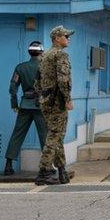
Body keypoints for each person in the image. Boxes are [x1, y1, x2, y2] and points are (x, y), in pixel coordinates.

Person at [34, 26, 74, 185]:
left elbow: (37, 81)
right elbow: (63, 80)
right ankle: (43, 171)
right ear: (57, 38)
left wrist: (42, 96)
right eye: (66, 36)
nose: (68, 38)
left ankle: (62, 171)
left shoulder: (44, 56)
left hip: (46, 101)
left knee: (56, 136)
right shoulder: (60, 55)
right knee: (55, 135)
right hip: (57, 102)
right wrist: (67, 99)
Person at [4, 41, 48, 175]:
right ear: (41, 52)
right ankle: (46, 167)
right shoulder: (46, 67)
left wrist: (14, 104)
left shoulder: (20, 67)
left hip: (25, 105)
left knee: (17, 134)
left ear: (30, 52)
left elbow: (13, 88)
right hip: (41, 105)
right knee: (45, 135)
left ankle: (8, 165)